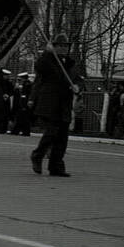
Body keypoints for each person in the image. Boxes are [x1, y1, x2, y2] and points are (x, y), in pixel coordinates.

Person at [30, 33, 82, 177]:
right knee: (51, 133)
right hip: (50, 103)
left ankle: (56, 166)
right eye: (60, 46)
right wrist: (47, 52)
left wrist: (77, 86)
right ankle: (37, 155)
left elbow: (78, 79)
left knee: (62, 138)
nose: (64, 48)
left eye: (66, 46)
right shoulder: (48, 61)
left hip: (64, 104)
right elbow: (39, 67)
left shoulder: (70, 63)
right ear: (54, 47)